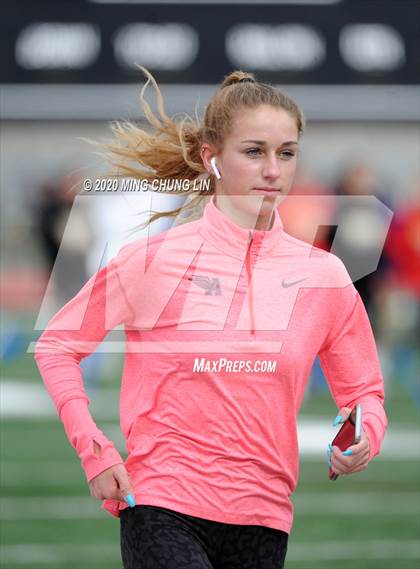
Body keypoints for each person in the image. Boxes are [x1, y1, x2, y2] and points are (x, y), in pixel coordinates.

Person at [34, 68, 388, 569]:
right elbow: (57, 346)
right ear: (211, 159)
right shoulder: (152, 261)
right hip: (161, 503)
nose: (272, 169)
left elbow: (364, 392)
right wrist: (95, 450)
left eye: (285, 153)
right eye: (253, 151)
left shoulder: (325, 275)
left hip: (265, 517)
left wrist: (363, 432)